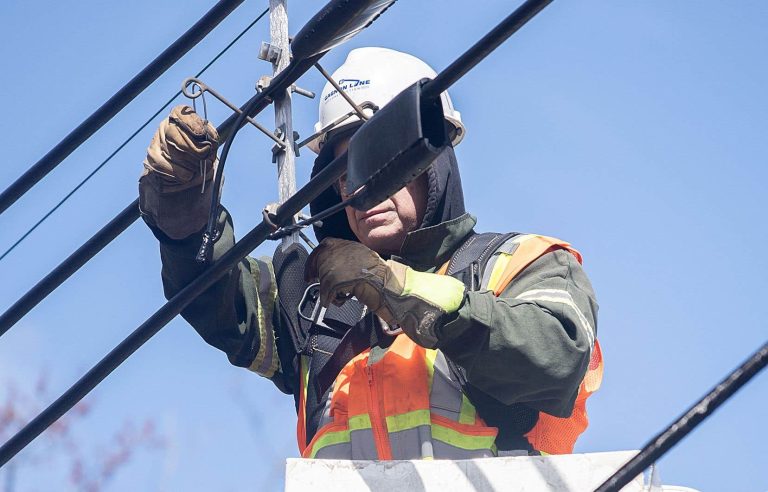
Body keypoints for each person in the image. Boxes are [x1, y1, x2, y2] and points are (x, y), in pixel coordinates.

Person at [139, 47, 602, 459]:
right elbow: (215, 297)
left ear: (432, 164)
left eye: (378, 163)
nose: (360, 188)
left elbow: (556, 357)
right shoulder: (312, 297)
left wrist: (398, 290)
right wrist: (185, 218)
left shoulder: (516, 263)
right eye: (343, 171)